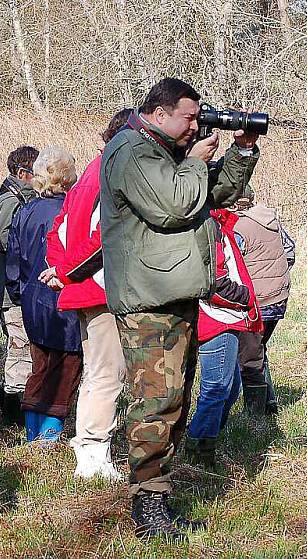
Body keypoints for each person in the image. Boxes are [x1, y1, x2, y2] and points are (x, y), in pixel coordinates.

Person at [99, 78, 259, 541]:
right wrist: (193, 162)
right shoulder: (131, 152)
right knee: (155, 404)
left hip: (172, 297)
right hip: (149, 304)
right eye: (189, 117)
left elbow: (212, 195)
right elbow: (174, 205)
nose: (195, 124)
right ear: (159, 111)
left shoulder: (167, 153)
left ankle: (159, 499)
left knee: (174, 402)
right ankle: (148, 508)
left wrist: (241, 151)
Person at [42, 109, 131, 480]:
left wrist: (59, 269)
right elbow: (104, 237)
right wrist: (65, 272)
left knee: (100, 370)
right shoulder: (111, 173)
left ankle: (93, 448)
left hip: (86, 288)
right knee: (107, 373)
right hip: (100, 288)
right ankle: (93, 453)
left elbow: (58, 231)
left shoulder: (89, 175)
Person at [6, 146, 82, 442]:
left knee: (39, 367)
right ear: (66, 177)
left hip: (33, 302)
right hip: (65, 301)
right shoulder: (72, 211)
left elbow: (13, 260)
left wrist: (19, 294)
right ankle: (48, 438)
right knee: (65, 370)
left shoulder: (25, 210)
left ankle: (32, 435)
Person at [186, 209, 262, 466]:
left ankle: (208, 438)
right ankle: (198, 447)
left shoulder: (219, 223)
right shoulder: (208, 225)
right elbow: (213, 281)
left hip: (227, 317)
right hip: (216, 318)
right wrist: (246, 298)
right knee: (217, 388)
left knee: (229, 389)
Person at [232, 193, 295, 415]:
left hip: (257, 302)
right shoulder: (269, 219)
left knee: (248, 358)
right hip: (278, 297)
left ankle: (256, 415)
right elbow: (290, 252)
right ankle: (270, 403)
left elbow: (230, 265)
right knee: (257, 350)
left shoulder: (238, 226)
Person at [0, 145, 39, 425]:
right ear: (23, 173)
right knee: (18, 348)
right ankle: (12, 409)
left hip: (21, 286)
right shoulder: (10, 200)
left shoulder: (22, 197)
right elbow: (4, 237)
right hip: (14, 290)